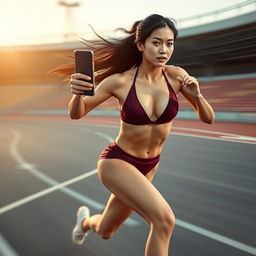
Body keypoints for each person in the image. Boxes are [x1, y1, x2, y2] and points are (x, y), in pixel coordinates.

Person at [53, 14, 215, 256]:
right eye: (156, 42)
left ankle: (85, 222)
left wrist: (198, 95)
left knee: (106, 230)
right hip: (117, 162)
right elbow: (77, 113)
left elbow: (208, 118)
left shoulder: (177, 76)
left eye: (169, 43)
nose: (164, 50)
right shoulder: (119, 81)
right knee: (164, 221)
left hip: (149, 167)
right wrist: (77, 94)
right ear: (140, 45)